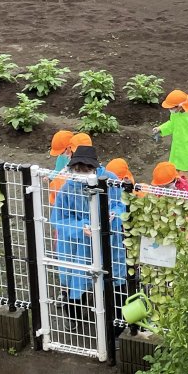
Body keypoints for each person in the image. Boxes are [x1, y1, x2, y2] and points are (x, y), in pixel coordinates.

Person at [50, 145, 127, 330]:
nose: (81, 174)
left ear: (95, 168)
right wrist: (80, 227)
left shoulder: (109, 180)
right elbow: (58, 219)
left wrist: (112, 216)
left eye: (85, 170)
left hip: (108, 241)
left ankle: (117, 323)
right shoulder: (68, 187)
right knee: (75, 280)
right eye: (77, 170)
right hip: (77, 245)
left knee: (114, 279)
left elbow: (121, 204)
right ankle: (74, 317)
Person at [49, 132, 94, 205]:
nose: (65, 154)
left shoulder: (66, 172)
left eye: (62, 152)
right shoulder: (99, 172)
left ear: (69, 148)